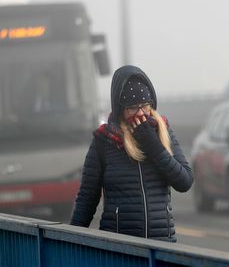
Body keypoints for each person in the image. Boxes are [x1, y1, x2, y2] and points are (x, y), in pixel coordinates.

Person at [70, 65, 193, 242]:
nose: (141, 113)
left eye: (145, 106)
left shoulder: (162, 131)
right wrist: (70, 241)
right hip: (119, 247)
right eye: (133, 108)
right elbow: (87, 199)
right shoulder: (104, 140)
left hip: (163, 245)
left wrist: (152, 144)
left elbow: (184, 181)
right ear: (121, 109)